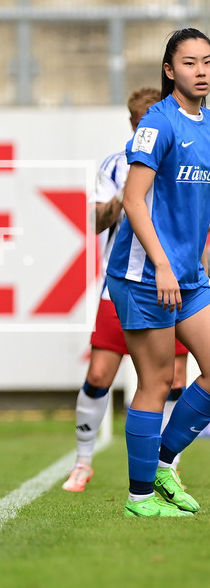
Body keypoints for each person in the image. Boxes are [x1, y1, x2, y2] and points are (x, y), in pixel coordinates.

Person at [63, 87, 190, 493]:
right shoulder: (117, 166)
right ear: (133, 125)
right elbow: (96, 221)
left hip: (177, 283)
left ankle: (167, 466)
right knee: (100, 374)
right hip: (123, 286)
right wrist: (122, 199)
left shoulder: (187, 159)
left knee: (172, 381)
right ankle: (83, 461)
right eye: (140, 126)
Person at [105, 27, 210, 518]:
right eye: (189, 62)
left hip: (188, 276)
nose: (201, 71)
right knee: (155, 382)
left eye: (207, 61)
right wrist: (164, 265)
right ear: (170, 71)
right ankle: (140, 499)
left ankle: (163, 462)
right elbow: (132, 199)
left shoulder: (208, 123)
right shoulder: (157, 122)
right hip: (145, 275)